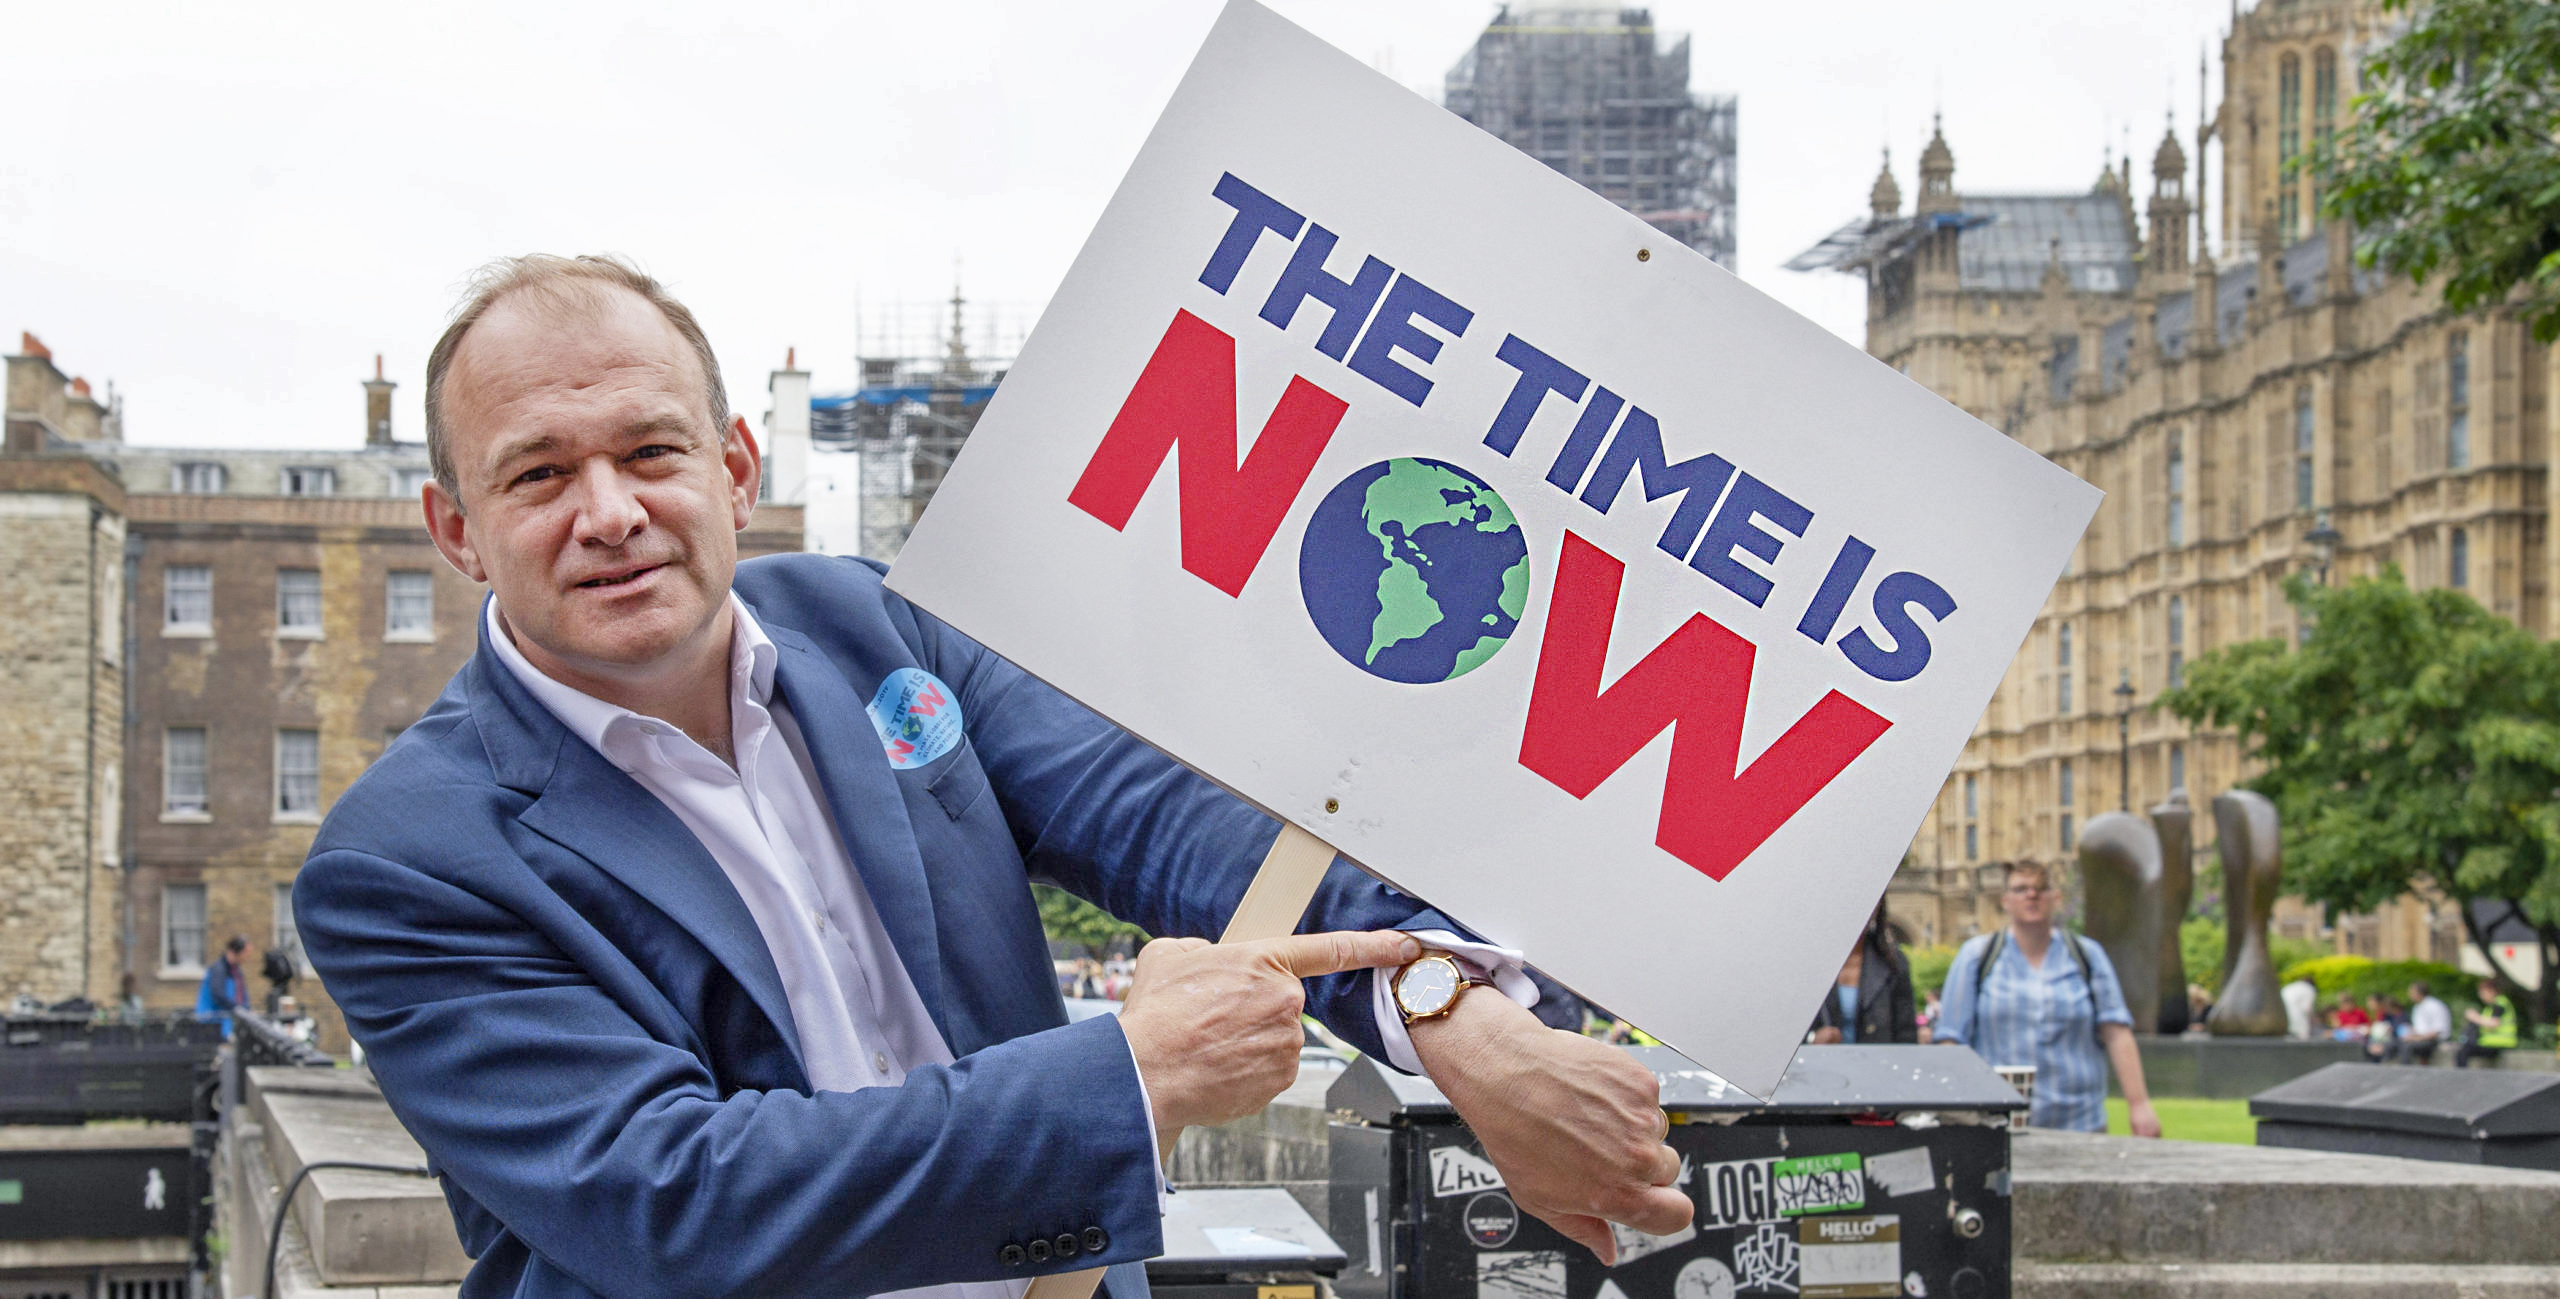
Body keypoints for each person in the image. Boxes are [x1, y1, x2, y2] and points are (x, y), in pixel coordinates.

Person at [295, 256, 1688, 1298]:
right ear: (457, 526)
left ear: (732, 465)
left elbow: (1170, 829)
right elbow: (676, 1200)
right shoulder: (404, 863)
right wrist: (1126, 1077)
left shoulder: (873, 623)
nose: (610, 512)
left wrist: (1446, 1006)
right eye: (539, 474)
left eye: (651, 449)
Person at [1935, 861, 2161, 1136]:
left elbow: (2117, 1032)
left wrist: (2139, 1105)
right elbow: (1951, 1038)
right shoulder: (1976, 956)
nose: (2032, 895)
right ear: (2005, 900)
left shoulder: (2087, 956)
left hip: (2080, 1123)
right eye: (2021, 889)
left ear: (2057, 898)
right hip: (1997, 1126)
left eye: (2041, 889)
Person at [1806, 903, 1918, 1045]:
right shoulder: (1809, 961)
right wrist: (1812, 1039)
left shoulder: (1893, 962)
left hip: (1877, 1063)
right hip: (1818, 1064)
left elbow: (1906, 1034)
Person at [2458, 978, 2519, 1069]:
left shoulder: (2500, 1003)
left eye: (2483, 992)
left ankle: (2462, 1079)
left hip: (2500, 1043)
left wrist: (2475, 1017)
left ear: (2492, 991)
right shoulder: (2490, 1007)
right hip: (2491, 1043)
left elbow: (2494, 1023)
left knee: (2463, 1053)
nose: (2481, 995)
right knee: (2463, 1050)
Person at [194, 935, 249, 1036]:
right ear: (235, 951)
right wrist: (241, 1009)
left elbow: (242, 996)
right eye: (245, 953)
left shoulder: (236, 972)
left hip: (227, 1024)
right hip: (212, 1026)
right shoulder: (218, 969)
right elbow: (219, 996)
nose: (247, 957)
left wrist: (246, 1009)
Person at [2402, 981, 2452, 1065]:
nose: (2409, 995)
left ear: (2419, 993)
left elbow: (2438, 1030)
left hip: (2435, 1040)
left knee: (2408, 1047)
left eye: (2412, 992)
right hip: (2421, 1038)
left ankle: (2405, 1071)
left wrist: (2418, 1038)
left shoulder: (2434, 1005)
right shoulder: (2417, 1006)